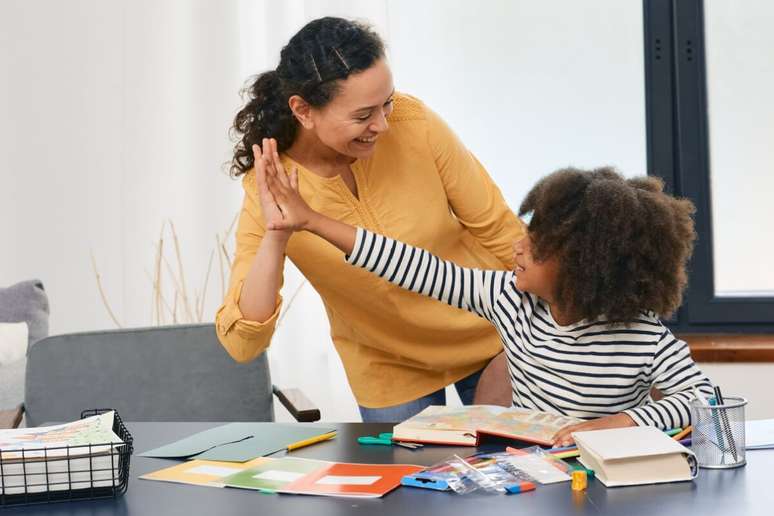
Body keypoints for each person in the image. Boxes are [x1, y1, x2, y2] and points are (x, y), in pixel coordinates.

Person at [260, 153, 715, 446]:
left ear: (583, 266)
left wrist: (613, 425)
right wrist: (312, 220)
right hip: (532, 478)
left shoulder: (641, 334)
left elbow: (703, 399)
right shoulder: (508, 300)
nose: (518, 245)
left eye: (535, 244)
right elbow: (412, 265)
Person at [215, 17, 524, 422]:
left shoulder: (414, 125)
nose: (382, 125)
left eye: (387, 102)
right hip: (388, 365)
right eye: (363, 115)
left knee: (520, 474)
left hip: (489, 336)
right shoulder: (271, 185)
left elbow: (501, 230)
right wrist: (276, 236)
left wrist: (531, 339)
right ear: (303, 110)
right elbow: (243, 343)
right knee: (408, 485)